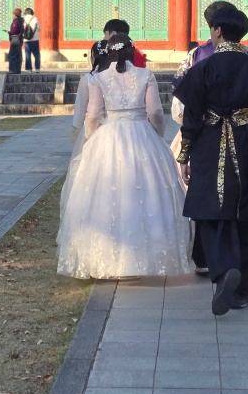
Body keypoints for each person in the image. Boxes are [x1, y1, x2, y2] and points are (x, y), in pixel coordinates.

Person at [173, 7, 248, 316]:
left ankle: (223, 271)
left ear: (218, 31)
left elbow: (191, 119)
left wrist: (184, 155)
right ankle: (243, 290)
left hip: (209, 143)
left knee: (211, 209)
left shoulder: (203, 69)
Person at [57, 34, 192, 279]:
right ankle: (144, 259)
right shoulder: (145, 75)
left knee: (107, 196)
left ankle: (108, 259)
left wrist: (91, 138)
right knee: (145, 195)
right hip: (141, 132)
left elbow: (94, 113)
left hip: (109, 134)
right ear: (132, 52)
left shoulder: (98, 78)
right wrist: (156, 134)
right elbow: (154, 111)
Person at [59, 40, 110, 221]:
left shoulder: (89, 79)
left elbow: (81, 109)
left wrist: (78, 131)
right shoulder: (117, 77)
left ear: (94, 56)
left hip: (93, 130)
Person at [23, 7, 41, 72]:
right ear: (32, 12)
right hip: (35, 39)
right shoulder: (35, 18)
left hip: (26, 40)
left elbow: (22, 29)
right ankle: (37, 68)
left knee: (27, 54)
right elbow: (39, 28)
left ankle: (29, 69)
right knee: (36, 54)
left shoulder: (23, 19)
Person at [7, 8, 24, 73]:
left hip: (15, 40)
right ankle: (18, 70)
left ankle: (12, 70)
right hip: (20, 39)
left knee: (12, 55)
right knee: (18, 55)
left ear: (15, 14)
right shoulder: (22, 20)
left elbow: (14, 31)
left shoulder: (16, 21)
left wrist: (9, 32)